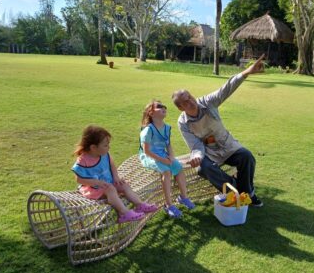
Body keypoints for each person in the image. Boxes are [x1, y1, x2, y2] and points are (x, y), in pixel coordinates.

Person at [171, 54, 266, 207]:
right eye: (185, 102)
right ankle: (236, 191)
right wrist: (196, 156)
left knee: (247, 157)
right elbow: (195, 145)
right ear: (180, 108)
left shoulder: (208, 102)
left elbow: (226, 89)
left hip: (227, 144)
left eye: (190, 97)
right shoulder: (183, 123)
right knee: (203, 168)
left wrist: (246, 72)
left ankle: (247, 193)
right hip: (209, 152)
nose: (190, 101)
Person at [72, 125, 158, 223]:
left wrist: (116, 177)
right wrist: (96, 182)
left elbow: (112, 165)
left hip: (108, 183)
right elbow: (79, 179)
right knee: (111, 189)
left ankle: (139, 204)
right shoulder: (83, 160)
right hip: (93, 189)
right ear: (93, 147)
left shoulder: (104, 154)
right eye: (105, 145)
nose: (109, 147)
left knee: (124, 185)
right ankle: (124, 213)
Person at [139, 100, 195, 218]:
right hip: (150, 156)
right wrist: (163, 160)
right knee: (166, 171)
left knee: (178, 168)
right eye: (159, 107)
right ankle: (168, 205)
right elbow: (146, 151)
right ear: (151, 113)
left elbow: (168, 144)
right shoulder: (148, 130)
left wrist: (171, 157)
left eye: (164, 106)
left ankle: (183, 197)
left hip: (163, 154)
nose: (164, 108)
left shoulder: (167, 128)